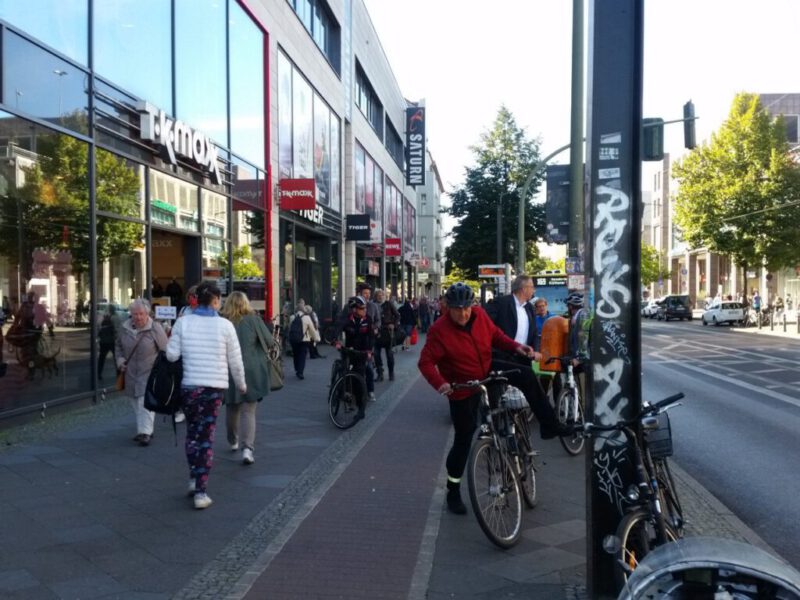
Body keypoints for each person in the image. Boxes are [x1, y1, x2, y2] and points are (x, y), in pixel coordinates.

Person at [418, 282, 540, 515]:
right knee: (463, 441)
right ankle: (453, 490)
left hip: (486, 376)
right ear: (447, 308)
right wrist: (441, 384)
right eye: (457, 309)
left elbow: (498, 337)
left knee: (503, 417)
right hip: (461, 388)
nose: (463, 313)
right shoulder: (439, 330)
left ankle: (510, 455)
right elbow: (425, 362)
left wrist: (516, 347)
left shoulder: (481, 316)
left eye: (467, 307)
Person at [166, 281, 246, 510]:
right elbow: (235, 360)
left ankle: (193, 477)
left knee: (192, 434)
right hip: (214, 388)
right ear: (215, 301)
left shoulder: (183, 322)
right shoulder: (225, 326)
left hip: (190, 387)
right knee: (207, 438)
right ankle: (201, 491)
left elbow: (171, 356)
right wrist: (241, 384)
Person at [486, 275, 565, 441]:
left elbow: (533, 334)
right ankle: (495, 433)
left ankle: (544, 427)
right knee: (498, 398)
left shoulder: (529, 308)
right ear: (523, 289)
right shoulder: (501, 303)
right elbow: (486, 327)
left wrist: (534, 351)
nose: (533, 290)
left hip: (522, 357)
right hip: (502, 357)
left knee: (530, 390)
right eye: (532, 287)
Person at [220, 291, 274, 465]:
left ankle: (232, 439)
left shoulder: (222, 322)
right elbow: (270, 342)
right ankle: (247, 449)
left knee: (231, 407)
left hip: (228, 370)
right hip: (252, 369)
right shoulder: (253, 320)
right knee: (249, 411)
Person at [115, 299, 169, 446]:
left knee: (144, 402)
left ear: (147, 313)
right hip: (131, 373)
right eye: (135, 314)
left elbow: (165, 350)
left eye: (141, 314)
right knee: (135, 402)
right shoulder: (124, 328)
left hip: (149, 372)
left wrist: (162, 370)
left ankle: (144, 432)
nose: (138, 317)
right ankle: (145, 430)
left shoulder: (155, 328)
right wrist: (120, 361)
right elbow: (118, 346)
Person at [335, 296, 375, 415]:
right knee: (345, 373)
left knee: (359, 379)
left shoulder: (367, 320)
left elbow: (371, 336)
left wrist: (369, 351)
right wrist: (335, 341)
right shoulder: (347, 319)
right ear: (354, 309)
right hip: (348, 350)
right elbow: (337, 329)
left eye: (365, 308)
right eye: (361, 309)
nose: (364, 311)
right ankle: (341, 393)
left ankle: (361, 407)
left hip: (361, 353)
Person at [374, 289, 400, 381]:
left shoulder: (388, 304)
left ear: (384, 296)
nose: (380, 296)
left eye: (382, 295)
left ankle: (391, 372)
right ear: (376, 296)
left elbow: (397, 315)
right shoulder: (373, 305)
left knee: (389, 354)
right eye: (378, 295)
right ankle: (380, 373)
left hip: (388, 332)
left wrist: (394, 324)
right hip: (377, 332)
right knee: (376, 354)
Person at [288, 303, 314, 379]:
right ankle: (300, 372)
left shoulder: (292, 317)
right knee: (302, 355)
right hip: (304, 340)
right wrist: (316, 338)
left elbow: (290, 327)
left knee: (296, 354)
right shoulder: (307, 318)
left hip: (294, 339)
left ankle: (296, 368)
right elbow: (312, 329)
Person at [97, 305, 121, 381]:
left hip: (103, 341)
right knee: (116, 358)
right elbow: (117, 330)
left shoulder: (104, 317)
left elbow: (98, 329)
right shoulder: (116, 317)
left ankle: (98, 374)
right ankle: (119, 375)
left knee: (101, 359)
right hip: (112, 341)